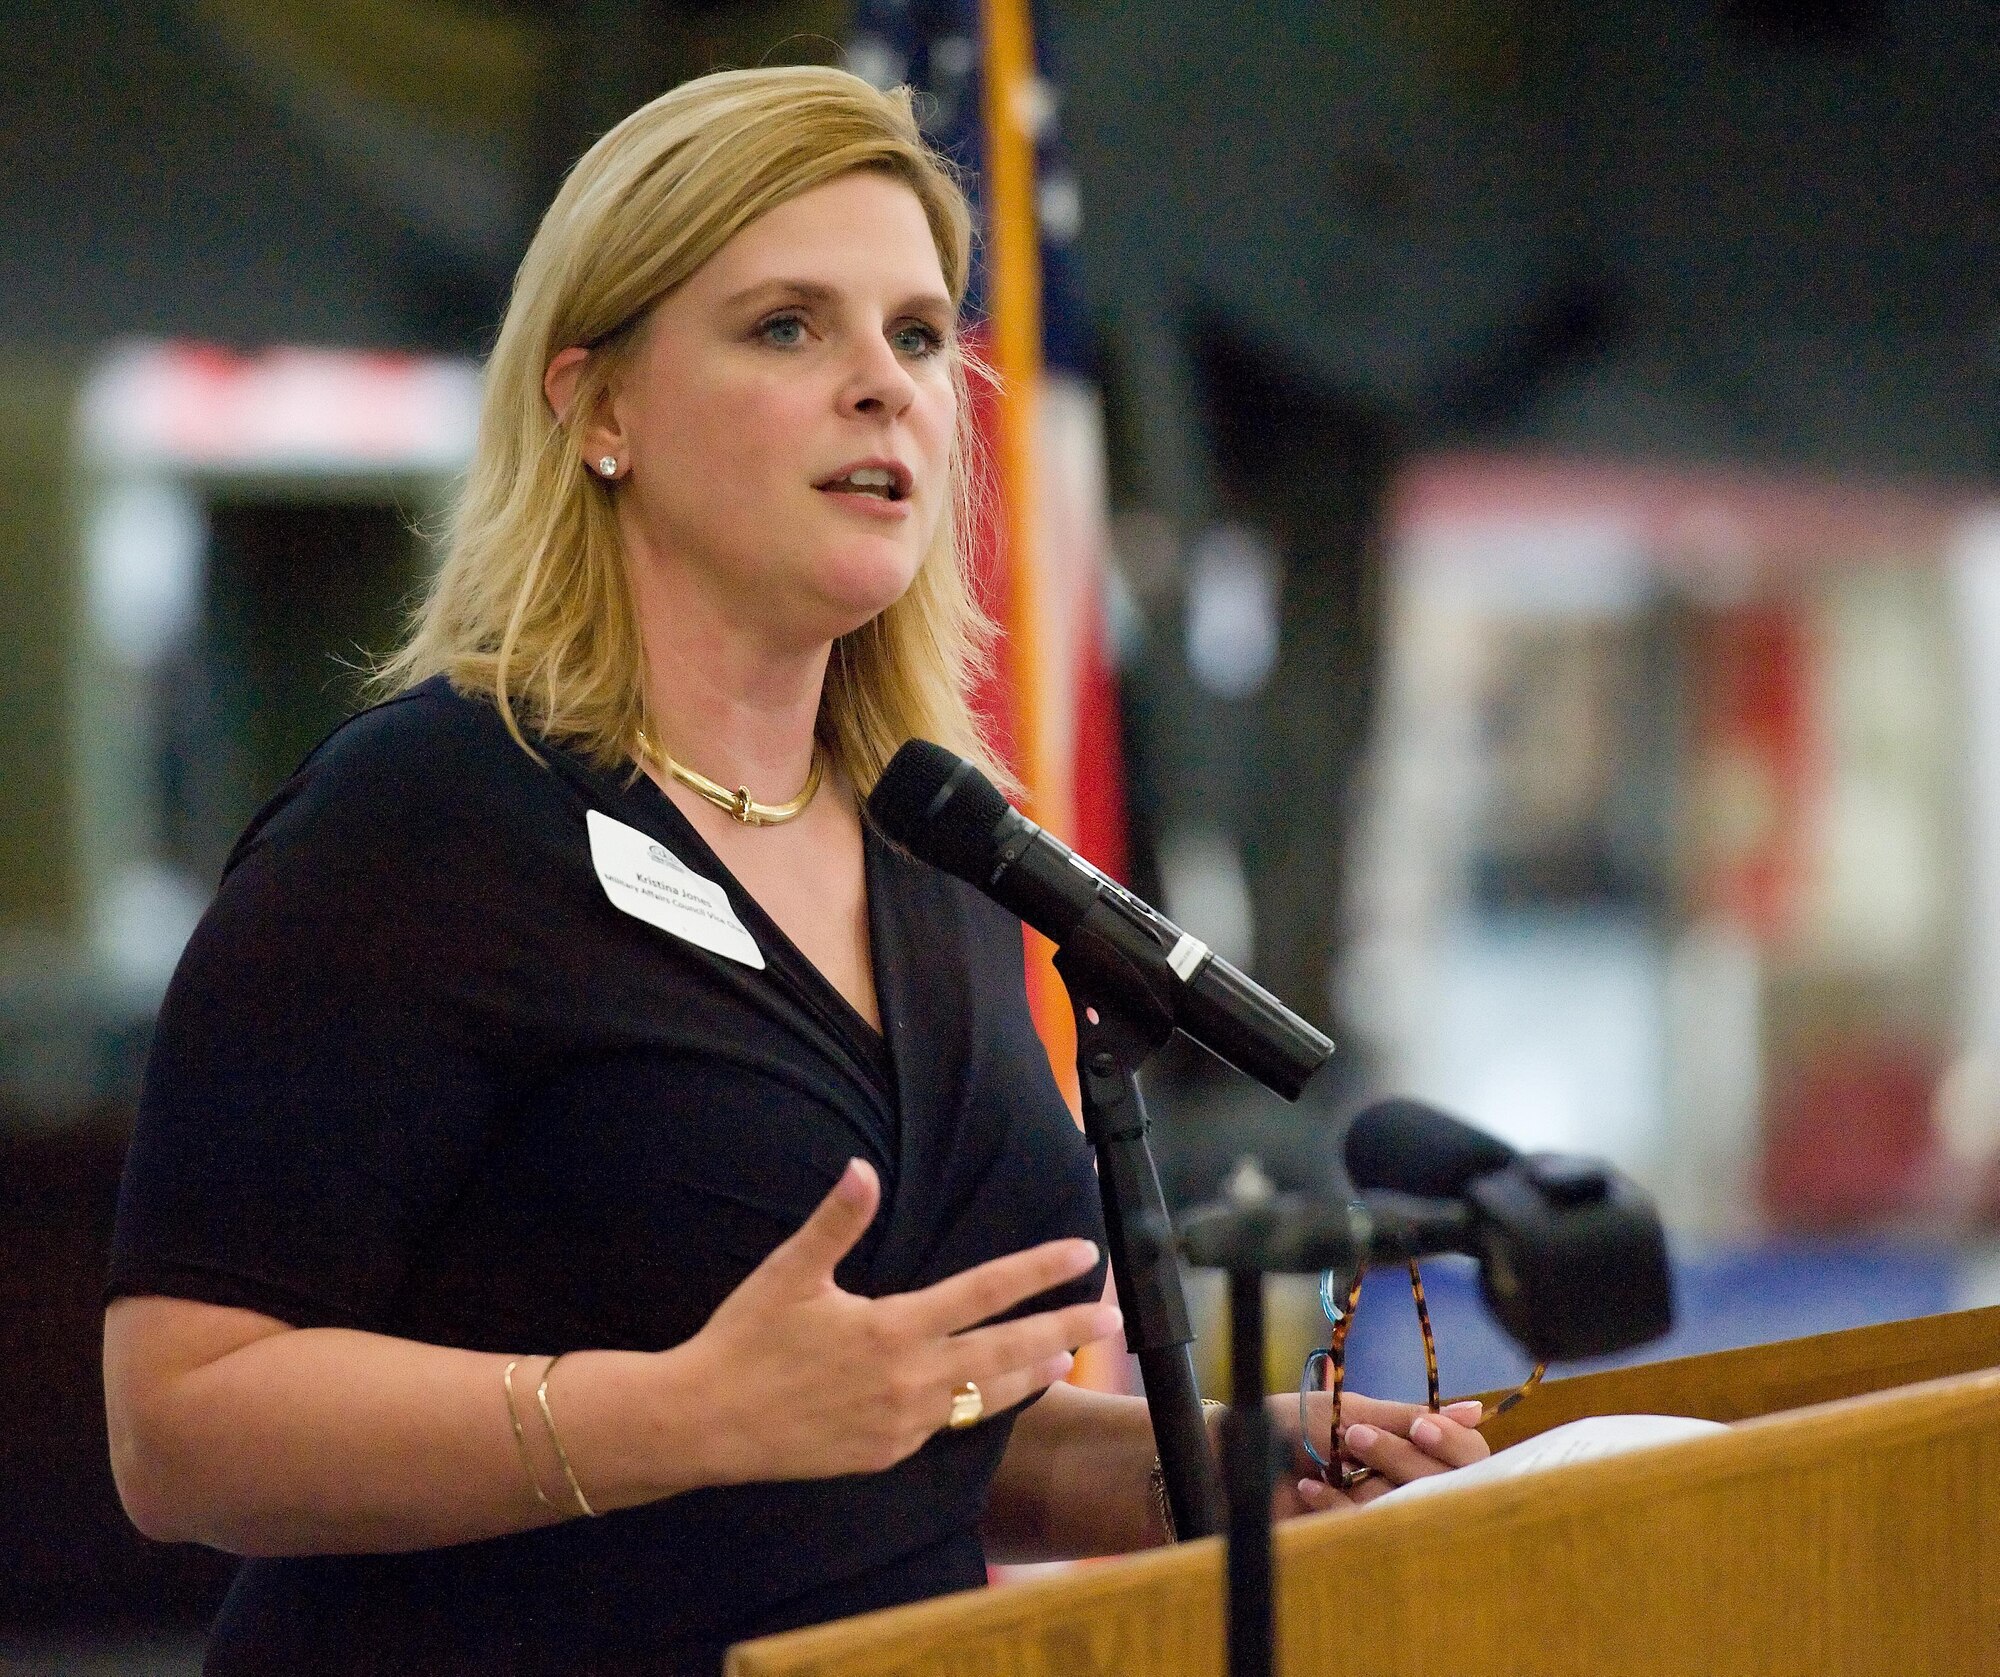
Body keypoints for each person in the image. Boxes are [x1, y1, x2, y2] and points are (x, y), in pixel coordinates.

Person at [101, 65, 1488, 1677]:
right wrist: (677, 1414)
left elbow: (913, 1426)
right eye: (787, 326)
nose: (888, 386)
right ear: (595, 406)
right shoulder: (426, 820)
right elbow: (179, 1423)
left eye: (913, 332)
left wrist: (1238, 1472)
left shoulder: (943, 850)